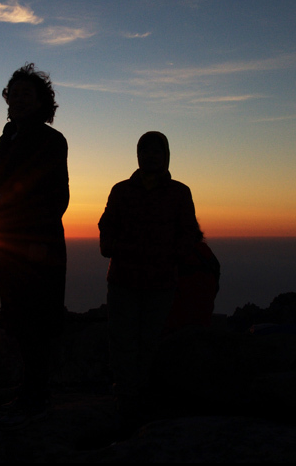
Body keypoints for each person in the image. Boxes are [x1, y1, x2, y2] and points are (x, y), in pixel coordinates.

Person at [0, 63, 68, 425]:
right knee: (18, 315)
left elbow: (55, 195)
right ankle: (29, 390)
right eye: (14, 94)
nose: (19, 99)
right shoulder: (6, 142)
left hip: (37, 246)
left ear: (40, 100)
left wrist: (38, 241)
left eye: (27, 93)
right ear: (7, 101)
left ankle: (36, 394)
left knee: (38, 319)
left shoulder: (49, 140)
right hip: (12, 245)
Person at [98, 131, 204, 429]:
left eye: (157, 151)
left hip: (160, 282)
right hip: (124, 279)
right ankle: (126, 395)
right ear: (138, 155)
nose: (151, 156)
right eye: (146, 151)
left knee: (150, 340)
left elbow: (189, 232)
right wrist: (113, 246)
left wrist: (170, 255)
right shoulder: (121, 191)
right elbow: (107, 224)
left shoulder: (179, 192)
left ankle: (140, 394)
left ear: (166, 155)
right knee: (123, 339)